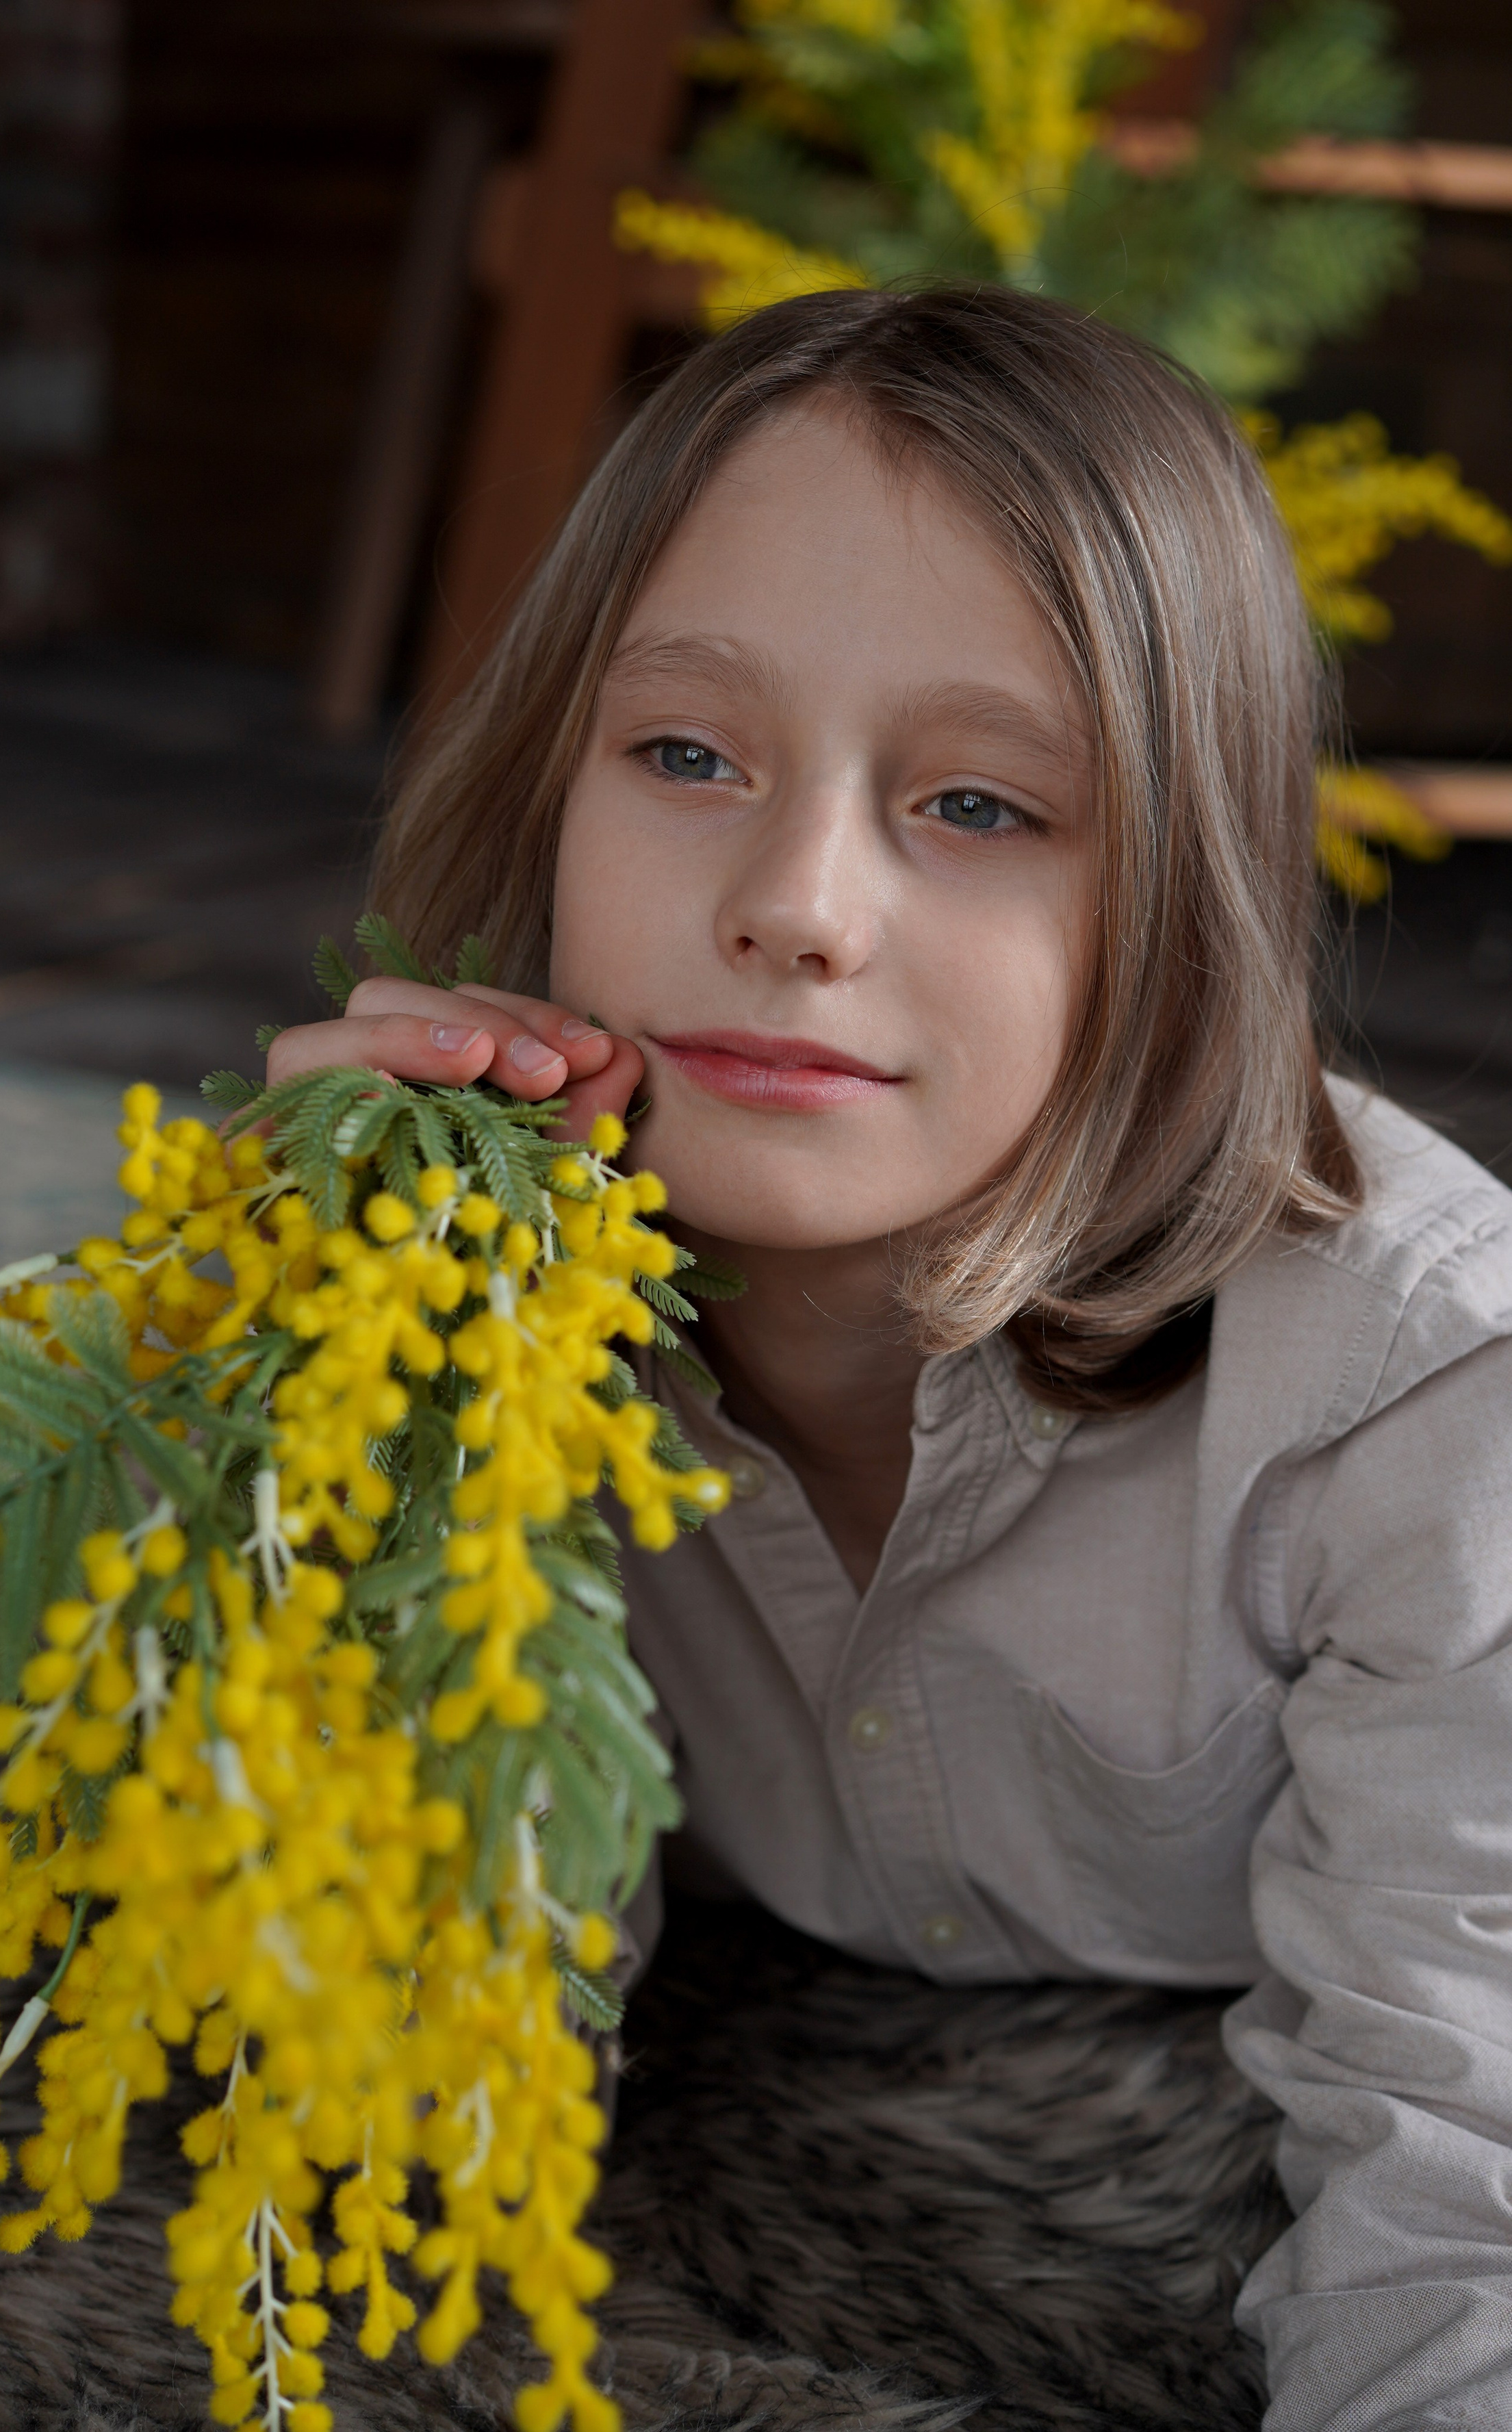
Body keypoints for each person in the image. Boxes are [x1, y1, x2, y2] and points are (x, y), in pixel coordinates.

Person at [268, 287, 1512, 2429]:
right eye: (684, 755)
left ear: (1176, 903)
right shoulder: (453, 1283)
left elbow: (1462, 2184)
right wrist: (346, 1399)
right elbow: (424, 2094)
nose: (798, 901)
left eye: (980, 805)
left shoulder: (1420, 1401)